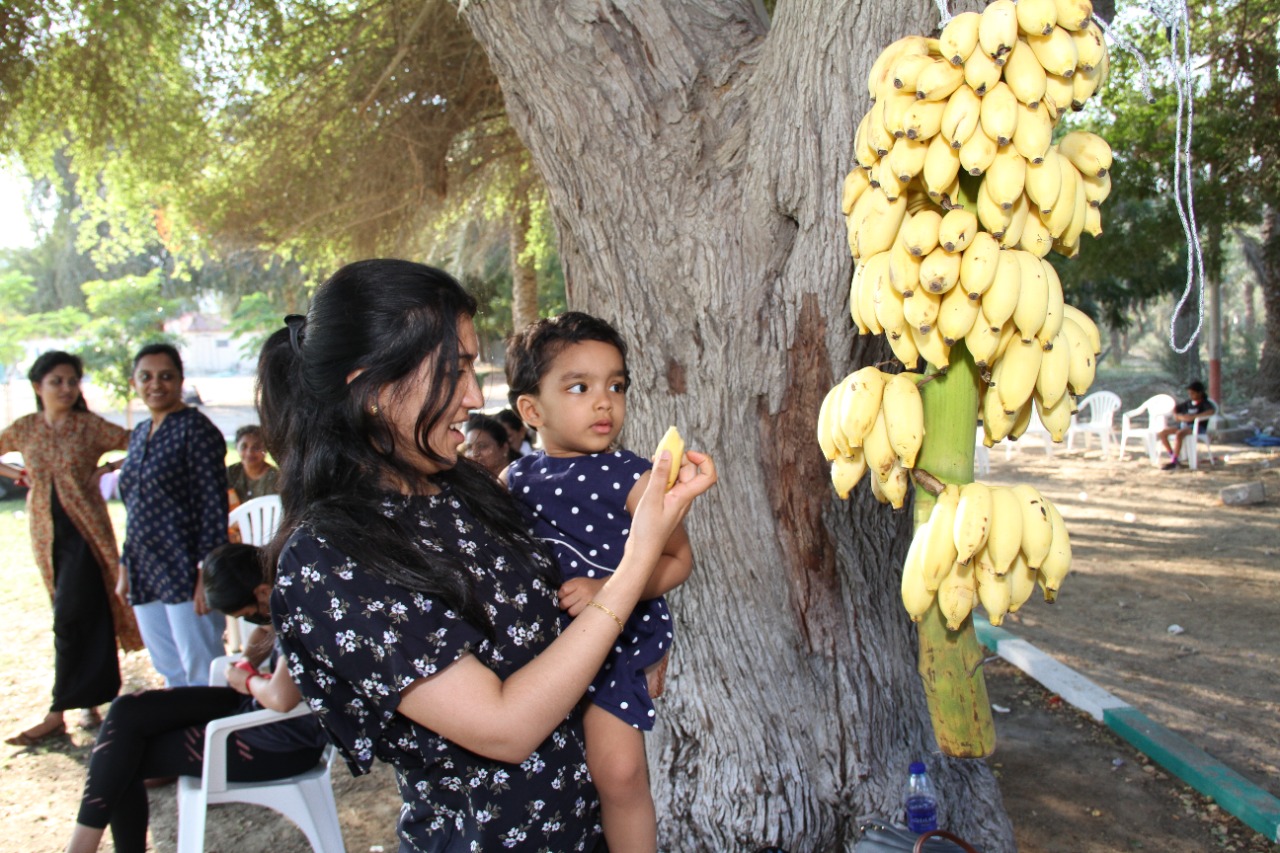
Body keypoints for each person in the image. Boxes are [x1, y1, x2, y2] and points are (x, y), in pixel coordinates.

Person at [258, 259, 715, 851]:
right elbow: (505, 728)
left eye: (472, 368)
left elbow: (552, 609)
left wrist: (634, 648)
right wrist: (633, 573)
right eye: (455, 370)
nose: (474, 396)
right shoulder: (329, 558)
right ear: (371, 387)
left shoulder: (465, 489)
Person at [503, 311, 694, 853]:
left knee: (620, 774)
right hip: (543, 653)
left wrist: (607, 587)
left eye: (616, 385)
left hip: (617, 644)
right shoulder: (513, 480)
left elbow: (679, 561)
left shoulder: (632, 477)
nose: (604, 401)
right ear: (531, 409)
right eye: (580, 387)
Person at [65, 542, 326, 853]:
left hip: (283, 741)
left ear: (260, 592)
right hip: (255, 712)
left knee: (124, 760)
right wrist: (248, 663)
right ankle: (82, 846)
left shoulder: (300, 613)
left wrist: (249, 678)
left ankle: (81, 848)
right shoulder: (281, 591)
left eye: (245, 614)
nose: (250, 622)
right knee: (127, 710)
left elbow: (281, 698)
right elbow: (265, 629)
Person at [0, 351, 142, 746]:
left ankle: (57, 712)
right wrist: (18, 474)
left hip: (87, 534)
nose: (66, 388)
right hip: (46, 535)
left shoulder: (87, 426)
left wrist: (109, 468)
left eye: (71, 381)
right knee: (78, 613)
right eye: (56, 381)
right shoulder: (26, 428)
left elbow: (139, 440)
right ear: (36, 387)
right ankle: (91, 707)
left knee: (72, 616)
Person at [118, 343, 230, 687]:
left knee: (200, 669)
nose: (156, 384)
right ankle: (186, 735)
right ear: (134, 382)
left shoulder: (196, 431)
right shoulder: (139, 434)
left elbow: (213, 507)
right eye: (146, 377)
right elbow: (133, 506)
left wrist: (204, 574)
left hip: (184, 566)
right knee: (168, 667)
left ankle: (212, 734)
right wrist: (125, 564)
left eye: (166, 376)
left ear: (180, 380)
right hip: (144, 567)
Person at [1157, 380, 1217, 470]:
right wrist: (1178, 416)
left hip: (1197, 428)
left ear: (1200, 393)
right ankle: (1173, 456)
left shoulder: (1205, 404)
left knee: (1179, 434)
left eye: (1193, 393)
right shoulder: (1188, 403)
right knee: (1162, 433)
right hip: (1184, 425)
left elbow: (1211, 411)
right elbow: (1176, 409)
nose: (1191, 395)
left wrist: (1194, 417)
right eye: (1190, 393)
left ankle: (1174, 462)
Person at [226, 424, 280, 506]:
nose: (249, 453)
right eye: (244, 447)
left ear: (265, 450)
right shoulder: (230, 473)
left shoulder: (276, 478)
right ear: (236, 447)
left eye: (256, 447)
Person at [463, 411, 515, 475]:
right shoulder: (471, 482)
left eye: (481, 446)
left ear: (504, 448)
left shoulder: (519, 480)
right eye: (469, 447)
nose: (474, 453)